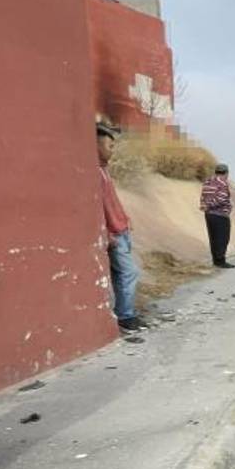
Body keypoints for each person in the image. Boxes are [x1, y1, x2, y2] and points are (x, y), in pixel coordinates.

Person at [97, 121, 147, 333]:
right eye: (109, 146)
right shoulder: (95, 173)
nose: (112, 151)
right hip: (115, 235)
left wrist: (126, 219)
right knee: (130, 272)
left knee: (121, 274)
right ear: (96, 146)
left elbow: (112, 201)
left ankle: (123, 313)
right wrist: (108, 233)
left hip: (122, 230)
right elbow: (96, 208)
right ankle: (126, 316)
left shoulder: (105, 171)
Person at [200, 164, 235, 268]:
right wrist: (209, 205)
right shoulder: (223, 183)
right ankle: (221, 261)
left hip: (209, 215)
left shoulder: (207, 182)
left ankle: (216, 260)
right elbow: (221, 199)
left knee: (213, 238)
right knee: (223, 238)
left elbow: (203, 196)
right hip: (220, 215)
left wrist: (204, 205)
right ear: (226, 173)